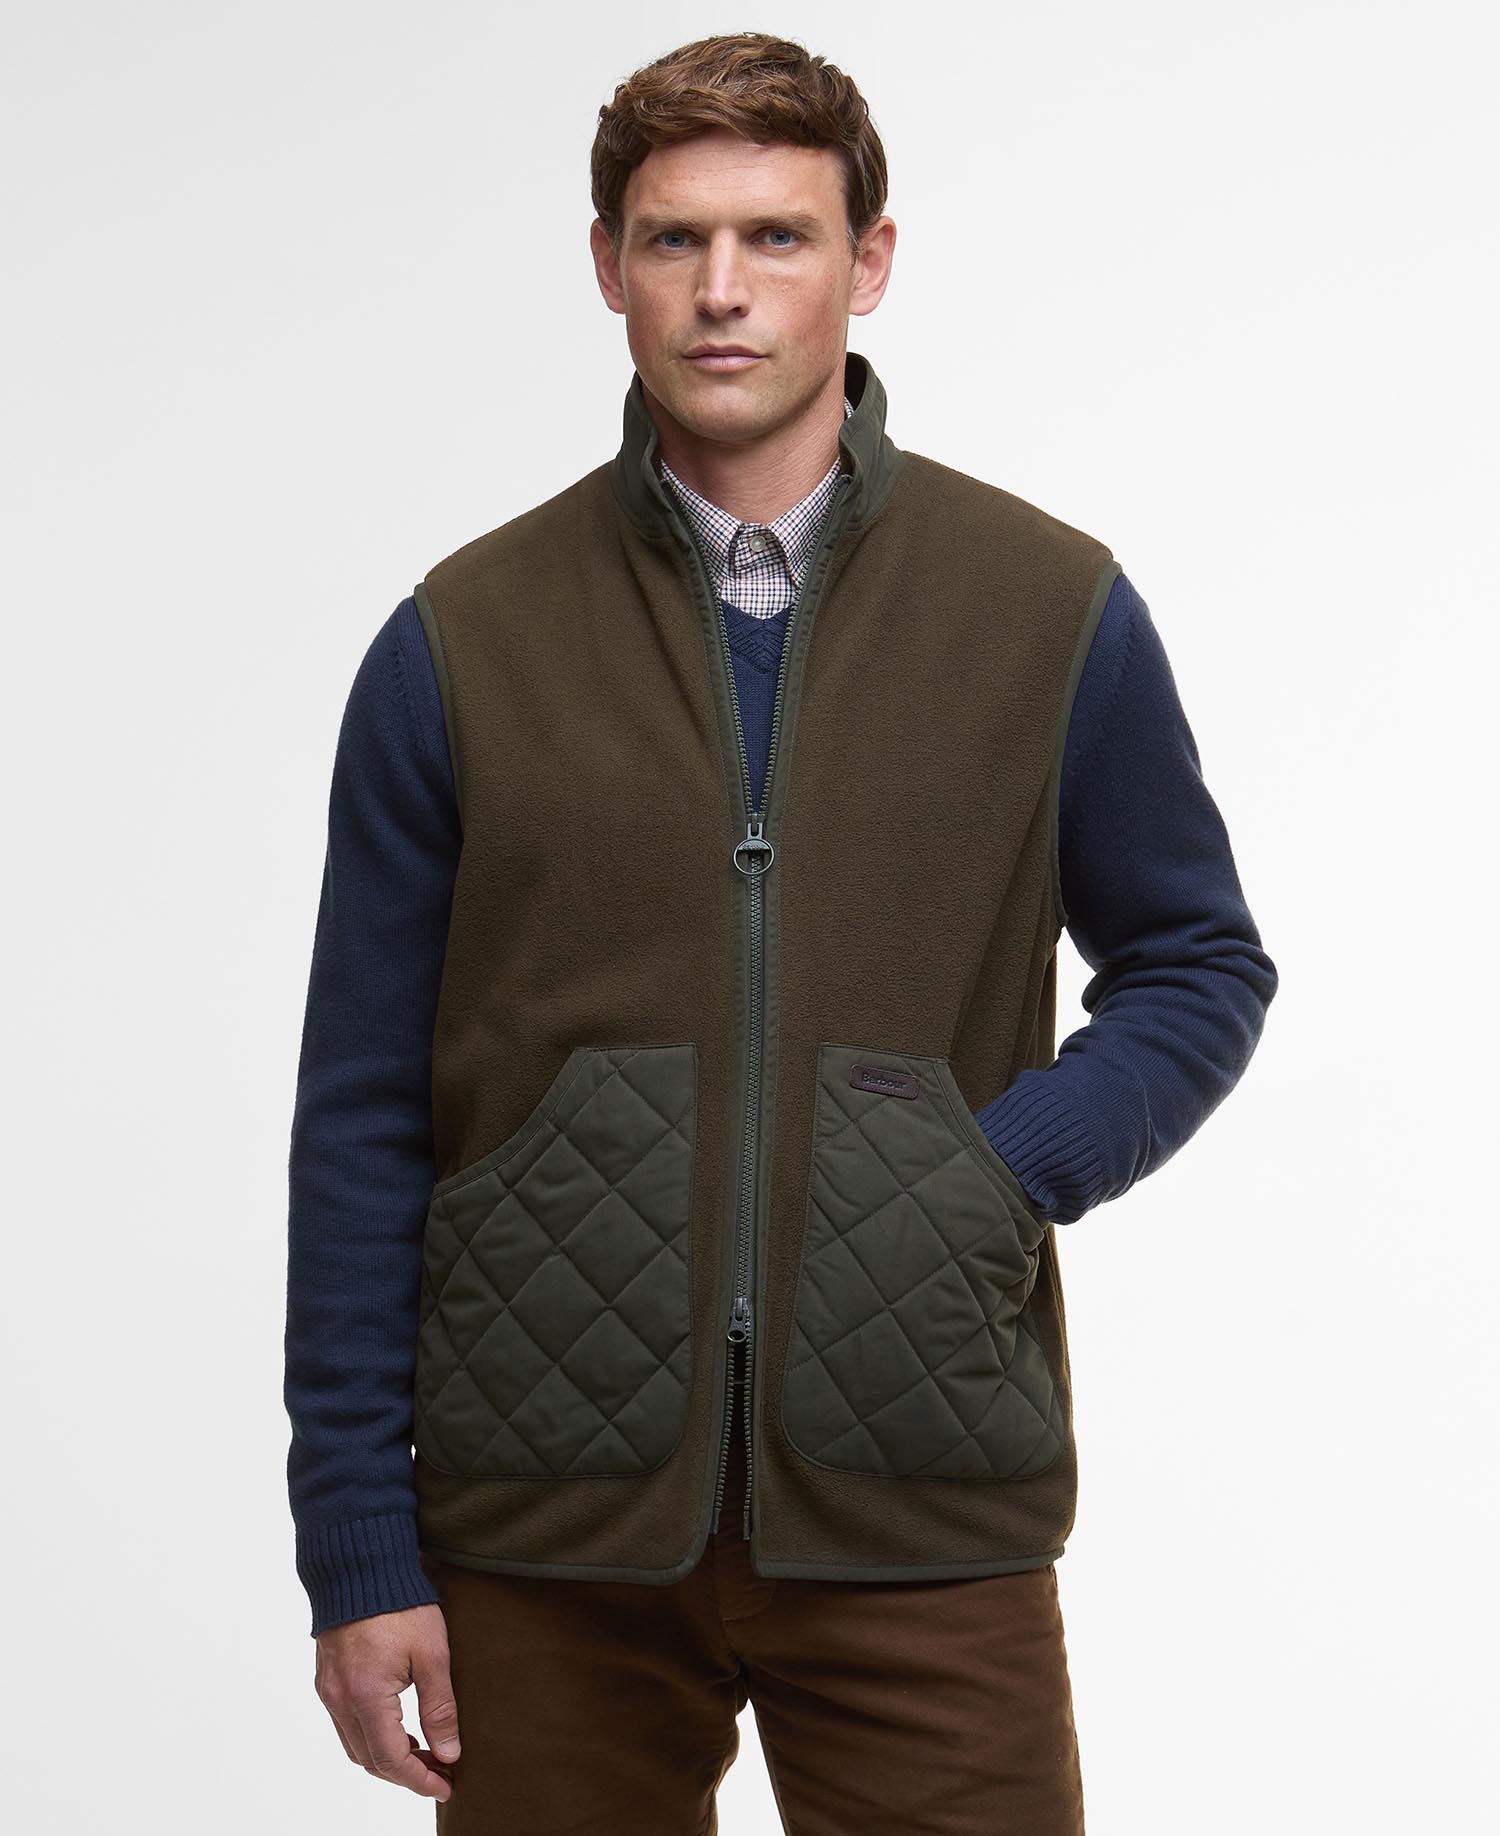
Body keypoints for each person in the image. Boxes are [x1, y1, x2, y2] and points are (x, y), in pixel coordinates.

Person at [284, 30, 1279, 1834]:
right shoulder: (461, 642)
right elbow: (361, 1110)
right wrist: (357, 1544)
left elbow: (1199, 964)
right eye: (674, 239)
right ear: (609, 267)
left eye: (778, 236)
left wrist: (996, 1171)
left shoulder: (1046, 611)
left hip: (922, 1506)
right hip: (543, 1524)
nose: (723, 290)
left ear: (867, 261)